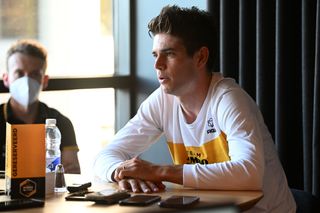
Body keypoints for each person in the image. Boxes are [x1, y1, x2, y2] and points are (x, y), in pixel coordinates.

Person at [93, 5, 296, 212]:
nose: (158, 65)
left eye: (169, 54)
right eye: (155, 55)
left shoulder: (229, 99)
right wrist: (121, 172)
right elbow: (105, 156)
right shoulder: (162, 101)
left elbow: (248, 174)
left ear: (200, 57)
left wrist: (158, 171)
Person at [0, 39, 81, 174]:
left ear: (44, 80)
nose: (26, 81)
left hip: (48, 195)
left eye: (34, 74)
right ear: (6, 79)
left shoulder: (60, 123)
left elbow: (71, 175)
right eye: (19, 73)